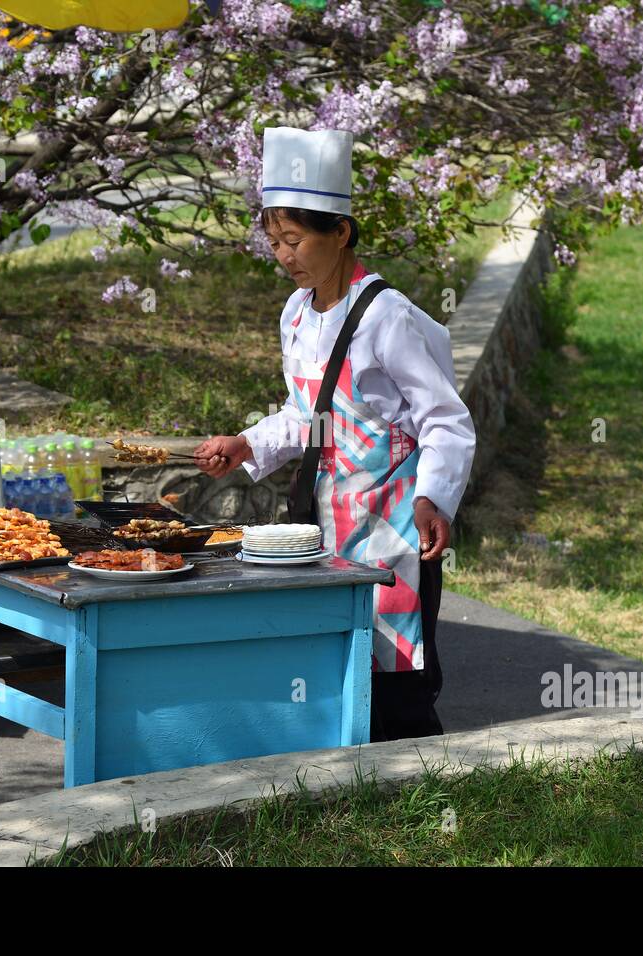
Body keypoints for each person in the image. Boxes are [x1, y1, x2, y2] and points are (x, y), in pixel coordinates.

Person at [195, 126, 476, 741]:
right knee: (333, 667)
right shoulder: (295, 315)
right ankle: (343, 792)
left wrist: (434, 499)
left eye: (295, 240)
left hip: (393, 525)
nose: (284, 256)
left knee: (396, 676)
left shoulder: (385, 315)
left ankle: (419, 790)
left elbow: (445, 419)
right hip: (326, 523)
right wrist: (248, 443)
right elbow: (310, 413)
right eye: (274, 243)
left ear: (340, 232)